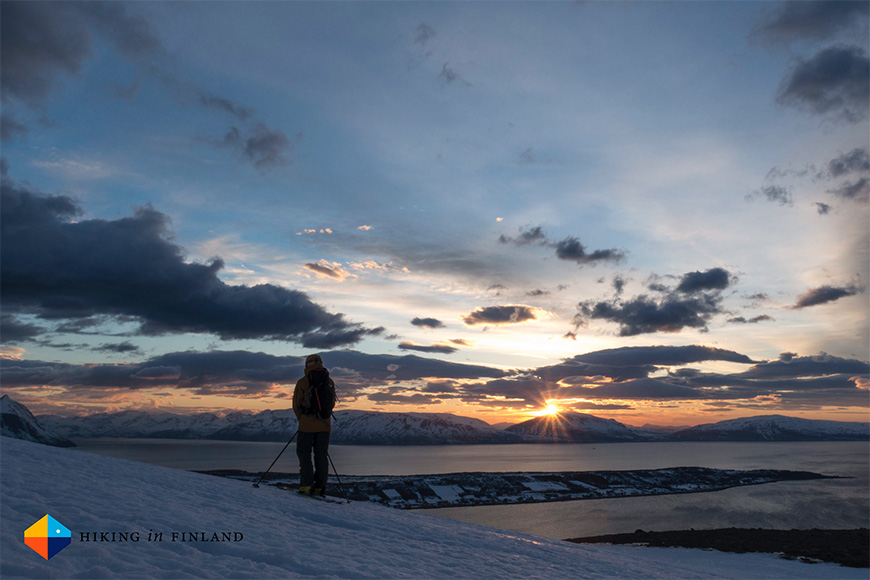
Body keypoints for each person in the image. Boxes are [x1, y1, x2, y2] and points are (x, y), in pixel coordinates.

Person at [292, 353, 334, 497]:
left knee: (304, 453)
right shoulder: (329, 381)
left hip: (306, 425)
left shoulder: (303, 382)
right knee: (321, 455)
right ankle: (320, 488)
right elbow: (331, 404)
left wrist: (303, 419)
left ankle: (306, 486)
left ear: (307, 364)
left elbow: (296, 405)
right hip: (325, 425)